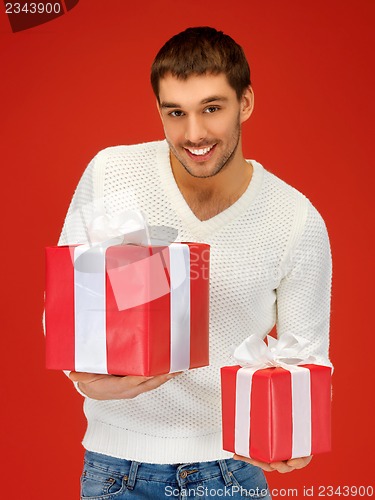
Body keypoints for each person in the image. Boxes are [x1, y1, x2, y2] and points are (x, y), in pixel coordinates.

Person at [59, 26, 332, 499]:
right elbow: (64, 311)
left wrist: (297, 431)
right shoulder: (111, 174)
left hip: (231, 473)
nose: (194, 134)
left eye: (212, 108)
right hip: (116, 470)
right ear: (159, 111)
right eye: (175, 113)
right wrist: (84, 380)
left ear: (244, 102)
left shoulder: (296, 221)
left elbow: (306, 358)